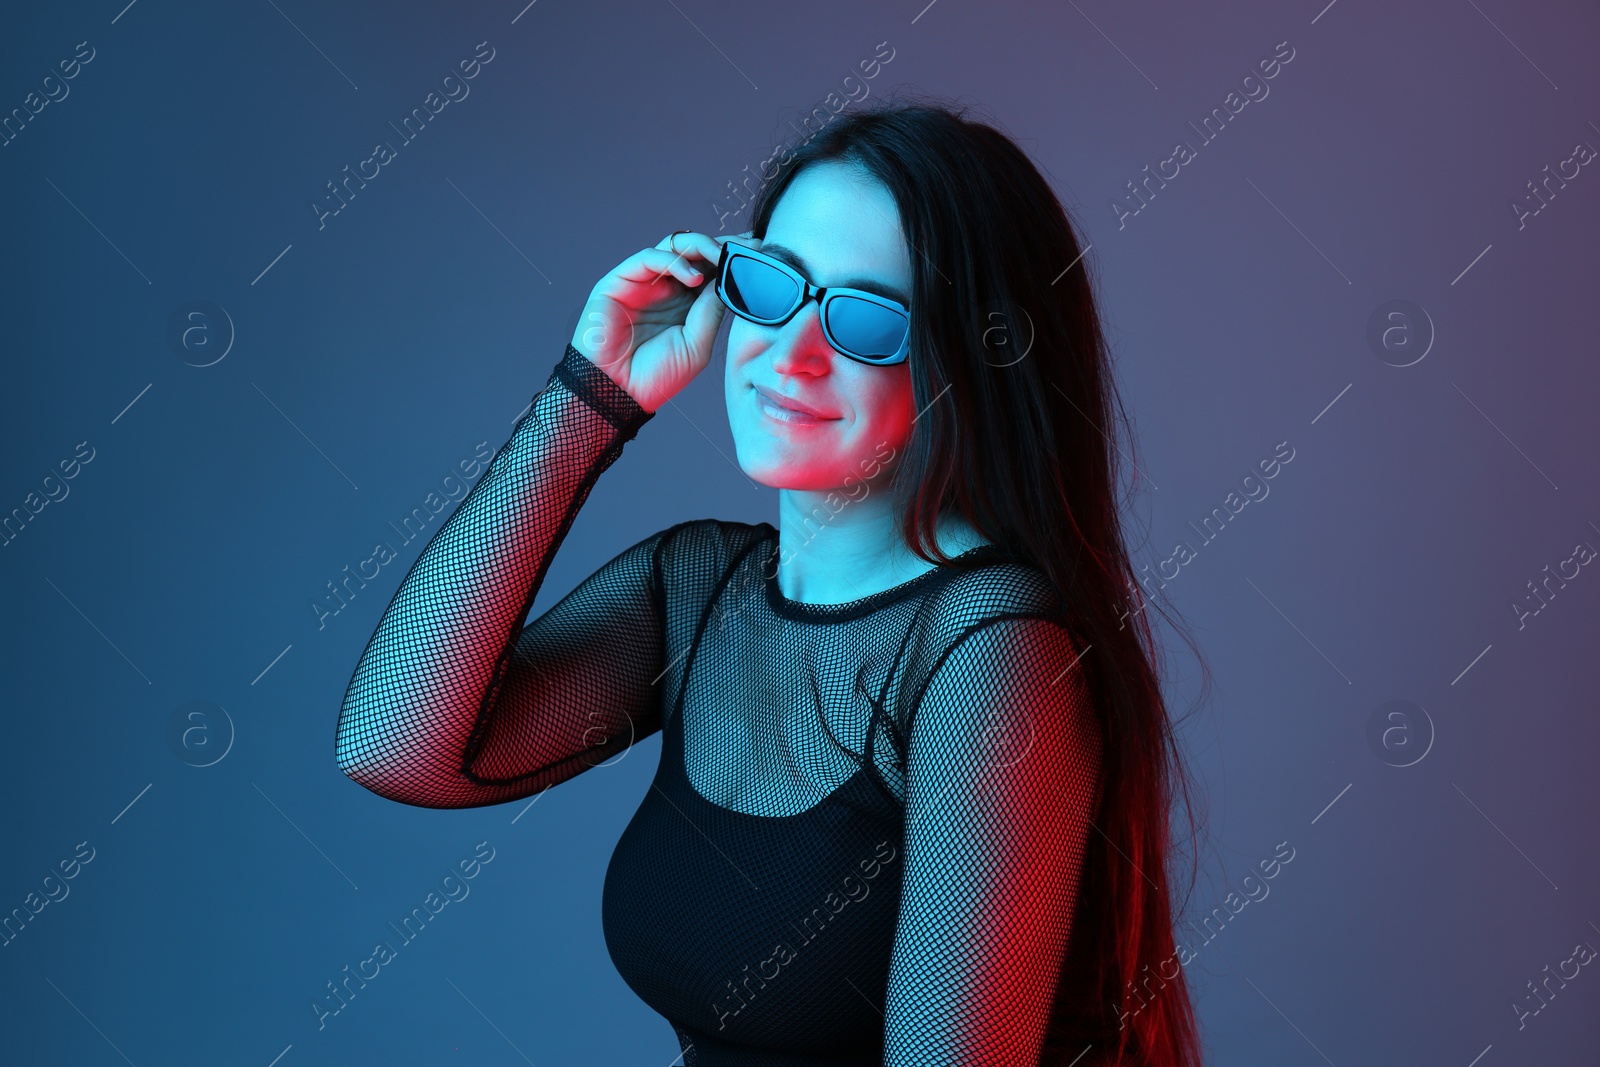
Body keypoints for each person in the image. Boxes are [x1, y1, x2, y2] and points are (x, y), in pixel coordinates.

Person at [334, 97, 1204, 1067]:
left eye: (867, 318)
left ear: (971, 357)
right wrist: (591, 396)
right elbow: (399, 750)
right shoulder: (702, 591)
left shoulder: (994, 656)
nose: (791, 352)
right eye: (771, 286)